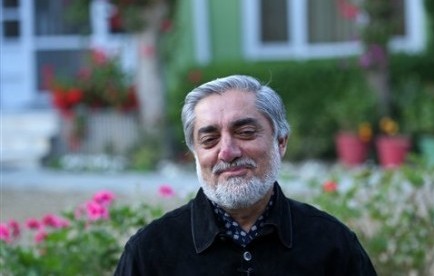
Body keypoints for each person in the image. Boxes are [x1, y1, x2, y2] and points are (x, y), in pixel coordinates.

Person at [114, 75, 377, 275]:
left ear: (281, 141)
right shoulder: (150, 254)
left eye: (245, 132)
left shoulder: (332, 245)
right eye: (209, 139)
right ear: (195, 154)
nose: (227, 152)